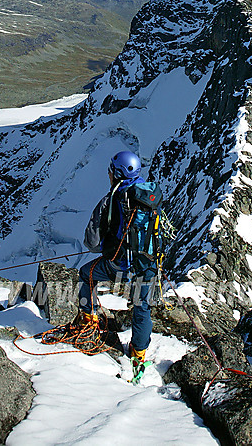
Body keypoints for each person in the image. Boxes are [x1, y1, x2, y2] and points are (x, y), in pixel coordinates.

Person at [78, 150, 157, 377]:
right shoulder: (149, 194)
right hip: (148, 263)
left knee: (87, 274)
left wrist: (109, 246)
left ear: (117, 173)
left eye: (111, 171)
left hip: (120, 264)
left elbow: (91, 243)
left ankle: (89, 318)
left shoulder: (111, 199)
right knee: (142, 307)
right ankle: (138, 353)